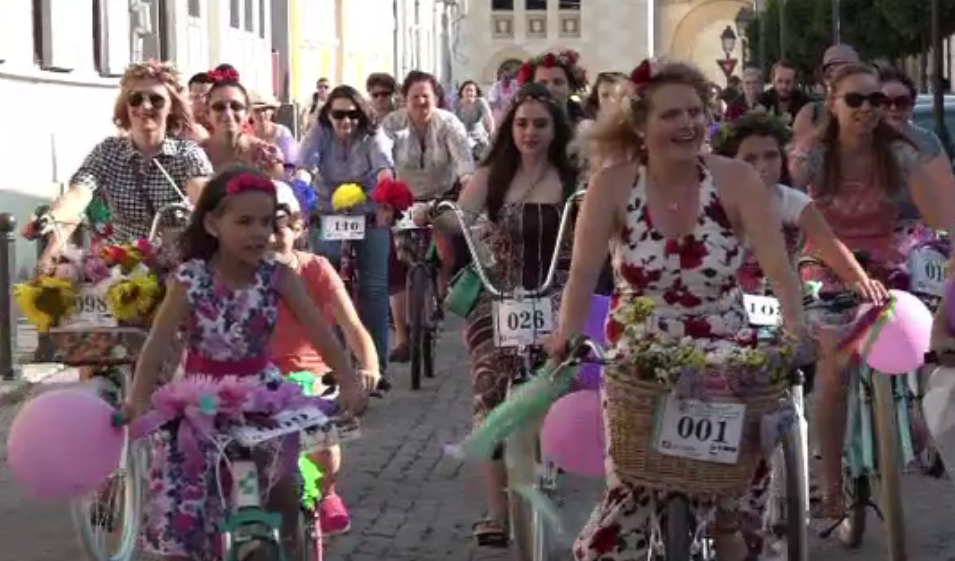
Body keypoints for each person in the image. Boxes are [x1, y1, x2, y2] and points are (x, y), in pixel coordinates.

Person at [551, 59, 807, 560]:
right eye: (671, 115)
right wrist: (564, 334)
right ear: (641, 125)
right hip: (640, 345)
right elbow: (582, 275)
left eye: (695, 112)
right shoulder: (612, 185)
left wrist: (796, 328)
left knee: (742, 475)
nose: (687, 124)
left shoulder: (735, 179)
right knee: (631, 491)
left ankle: (733, 518)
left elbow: (778, 267)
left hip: (725, 342)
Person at [120, 167, 363, 561]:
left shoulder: (278, 277)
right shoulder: (191, 279)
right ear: (214, 224)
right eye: (244, 221)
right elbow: (156, 344)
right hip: (200, 403)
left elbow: (322, 333)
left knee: (282, 493)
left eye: (266, 222)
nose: (257, 232)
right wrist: (138, 400)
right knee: (184, 502)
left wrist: (349, 380)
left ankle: (285, 543)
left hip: (261, 397)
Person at [789, 62, 955, 518]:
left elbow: (939, 201)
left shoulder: (898, 150)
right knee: (833, 366)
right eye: (856, 100)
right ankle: (830, 488)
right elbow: (789, 190)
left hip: (886, 260)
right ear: (833, 105)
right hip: (825, 263)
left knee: (929, 340)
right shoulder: (816, 154)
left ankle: (924, 432)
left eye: (876, 100)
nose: (868, 109)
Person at [428, 83, 578, 547]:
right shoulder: (493, 174)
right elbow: (459, 216)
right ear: (509, 127)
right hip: (498, 294)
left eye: (539, 124)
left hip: (556, 292)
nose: (529, 132)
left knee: (560, 382)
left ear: (556, 129)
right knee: (490, 392)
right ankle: (497, 511)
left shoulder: (573, 177)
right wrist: (433, 215)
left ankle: (550, 453)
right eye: (521, 123)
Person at [270, 182, 379, 537]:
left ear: (299, 228)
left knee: (325, 447)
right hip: (259, 379)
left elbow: (352, 326)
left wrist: (369, 369)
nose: (271, 237)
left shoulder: (315, 269)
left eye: (279, 227)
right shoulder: (239, 274)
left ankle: (327, 490)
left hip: (312, 375)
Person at [32, 61, 211, 267]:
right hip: (119, 270)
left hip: (173, 268)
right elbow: (80, 192)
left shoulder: (187, 154)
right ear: (126, 106)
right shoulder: (108, 152)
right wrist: (52, 217)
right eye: (136, 99)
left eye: (156, 99)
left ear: (171, 106)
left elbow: (202, 194)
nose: (145, 106)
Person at [711, 112, 884, 298]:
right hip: (724, 301)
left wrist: (860, 280)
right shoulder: (711, 205)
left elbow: (829, 243)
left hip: (784, 303)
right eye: (750, 159)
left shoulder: (792, 201)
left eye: (771, 156)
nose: (763, 166)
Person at [297, 85, 395, 385]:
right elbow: (304, 164)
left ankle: (377, 367)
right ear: (328, 115)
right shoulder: (319, 132)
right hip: (327, 213)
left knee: (374, 291)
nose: (346, 121)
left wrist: (386, 196)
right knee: (327, 288)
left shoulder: (373, 135)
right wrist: (300, 193)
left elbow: (383, 169)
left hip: (368, 212)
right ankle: (334, 363)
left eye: (352, 114)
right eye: (338, 114)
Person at [382, 70, 474, 362]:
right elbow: (382, 156)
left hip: (442, 196)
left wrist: (468, 182)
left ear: (435, 99)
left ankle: (442, 287)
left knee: (451, 249)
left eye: (426, 97)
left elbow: (464, 164)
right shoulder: (392, 123)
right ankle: (401, 337)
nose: (421, 102)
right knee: (396, 265)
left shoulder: (449, 123)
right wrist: (385, 183)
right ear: (405, 99)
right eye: (414, 97)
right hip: (402, 197)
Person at [880, 66, 955, 212]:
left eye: (901, 102)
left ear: (911, 105)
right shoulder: (861, 140)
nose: (893, 108)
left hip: (918, 226)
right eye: (885, 102)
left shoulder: (927, 141)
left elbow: (946, 191)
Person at [200, 68, 285, 178]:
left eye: (236, 106)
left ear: (247, 113)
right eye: (219, 107)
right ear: (207, 114)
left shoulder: (267, 157)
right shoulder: (196, 155)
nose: (228, 114)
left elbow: (277, 193)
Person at [792, 44, 860, 141]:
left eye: (846, 72)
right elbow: (800, 148)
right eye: (830, 71)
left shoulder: (869, 110)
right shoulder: (811, 112)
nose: (837, 77)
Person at [516, 50, 589, 126]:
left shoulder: (585, 128)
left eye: (558, 82)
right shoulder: (521, 127)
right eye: (542, 83)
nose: (550, 89)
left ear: (571, 88)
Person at [756, 60, 811, 126]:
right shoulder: (764, 99)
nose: (784, 86)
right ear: (773, 81)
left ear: (795, 82)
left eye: (788, 82)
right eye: (779, 81)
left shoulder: (804, 103)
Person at [250, 89, 296, 162]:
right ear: (250, 112)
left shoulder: (282, 132)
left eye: (264, 109)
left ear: (272, 111)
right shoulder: (245, 133)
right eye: (257, 110)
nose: (261, 114)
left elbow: (291, 163)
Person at [454, 80, 495, 159]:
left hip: (479, 138)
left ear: (476, 93)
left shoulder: (480, 102)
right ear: (462, 92)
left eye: (472, 91)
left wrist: (492, 133)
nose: (469, 93)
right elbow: (452, 121)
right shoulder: (457, 103)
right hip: (462, 138)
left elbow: (489, 118)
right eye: (467, 90)